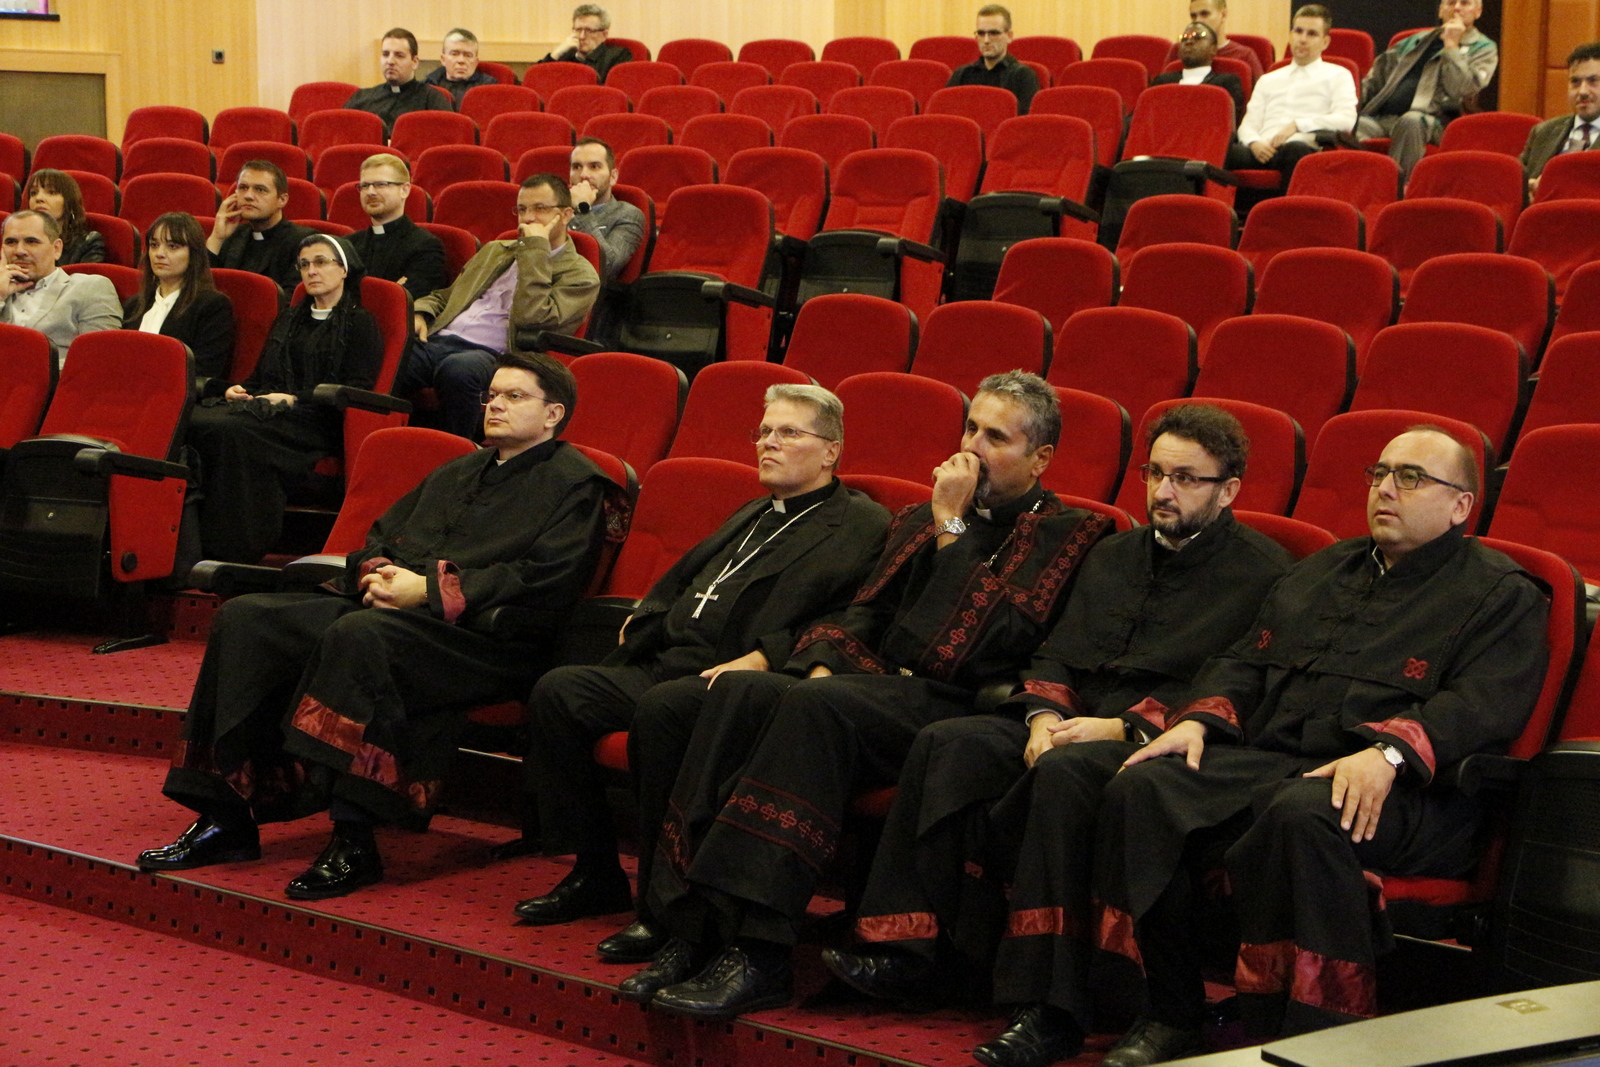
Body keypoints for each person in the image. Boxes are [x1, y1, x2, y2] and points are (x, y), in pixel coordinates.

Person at [982, 426, 1547, 1067]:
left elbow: (1481, 705)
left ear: (1461, 505)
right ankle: (1166, 1011)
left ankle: (1317, 1043)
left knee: (1301, 811)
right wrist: (1198, 723)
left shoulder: (1502, 593)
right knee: (1145, 783)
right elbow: (1243, 664)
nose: (1386, 489)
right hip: (1279, 762)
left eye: (1411, 478)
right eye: (1380, 473)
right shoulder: (1324, 570)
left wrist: (1386, 755)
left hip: (1413, 794)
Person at [620, 371, 1113, 1021]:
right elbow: (863, 614)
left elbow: (992, 641)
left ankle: (760, 951)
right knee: (741, 691)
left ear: (1041, 457)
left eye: (996, 437)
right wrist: (823, 662)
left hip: (964, 701)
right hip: (879, 688)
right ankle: (691, 925)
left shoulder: (1071, 532)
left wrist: (952, 525)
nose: (973, 447)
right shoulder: (916, 521)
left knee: (816, 707)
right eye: (970, 428)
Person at [820, 405, 1294, 1019]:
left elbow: (1236, 681)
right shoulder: (1114, 553)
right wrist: (1043, 717)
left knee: (1063, 773)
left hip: (1152, 741)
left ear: (1228, 490)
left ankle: (1046, 1000)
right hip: (1068, 721)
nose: (1162, 492)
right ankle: (907, 951)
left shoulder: (1265, 570)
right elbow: (1055, 652)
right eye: (1155, 473)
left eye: (1184, 478)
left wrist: (1120, 727)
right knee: (951, 741)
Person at [139, 350, 616, 902]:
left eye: (514, 397)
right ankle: (225, 816)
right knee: (248, 619)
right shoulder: (458, 469)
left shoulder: (579, 484)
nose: (495, 406)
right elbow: (381, 537)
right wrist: (381, 574)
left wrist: (428, 591)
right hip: (399, 617)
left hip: (487, 639)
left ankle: (354, 838)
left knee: (362, 636)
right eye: (491, 395)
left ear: (553, 414)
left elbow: (546, 579)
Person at [512, 384, 892, 965]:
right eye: (764, 432)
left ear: (830, 450)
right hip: (670, 661)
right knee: (558, 693)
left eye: (788, 432)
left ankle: (662, 906)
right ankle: (594, 870)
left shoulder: (860, 523)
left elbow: (849, 617)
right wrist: (649, 617)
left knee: (662, 711)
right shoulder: (754, 511)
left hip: (737, 681)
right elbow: (686, 580)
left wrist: (765, 656)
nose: (768, 443)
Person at [185, 234, 383, 564]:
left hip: (318, 420)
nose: (311, 271)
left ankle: (235, 549)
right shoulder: (289, 318)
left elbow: (356, 387)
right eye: (304, 264)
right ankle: (192, 543)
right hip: (274, 410)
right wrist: (240, 390)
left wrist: (294, 399)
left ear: (344, 269)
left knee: (232, 431)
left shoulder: (360, 322)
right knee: (198, 419)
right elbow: (261, 377)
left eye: (321, 262)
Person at [395, 174, 599, 442]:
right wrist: (422, 312)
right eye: (522, 209)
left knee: (459, 370)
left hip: (498, 354)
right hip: (439, 339)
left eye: (540, 208)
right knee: (389, 356)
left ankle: (457, 453)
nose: (529, 218)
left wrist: (536, 250)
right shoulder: (495, 250)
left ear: (566, 215)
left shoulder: (581, 275)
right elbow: (448, 296)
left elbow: (531, 317)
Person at [1357, 0, 1498, 181]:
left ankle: (1399, 189)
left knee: (1411, 121)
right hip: (1385, 118)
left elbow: (1461, 88)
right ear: (1440, 11)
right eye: (1450, 3)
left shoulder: (1484, 48)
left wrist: (1451, 46)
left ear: (1478, 12)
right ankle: (1356, 188)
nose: (1456, 8)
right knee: (1353, 125)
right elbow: (1375, 78)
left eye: (1465, 3)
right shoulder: (1412, 41)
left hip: (1436, 122)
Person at [1225, 6, 1358, 182]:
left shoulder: (1338, 75)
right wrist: (1254, 142)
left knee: (1295, 149)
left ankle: (1290, 201)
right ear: (1290, 35)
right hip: (1262, 148)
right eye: (1298, 31)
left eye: (1312, 34)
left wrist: (1298, 125)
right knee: (1222, 150)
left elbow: (1346, 120)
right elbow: (1248, 124)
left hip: (1302, 148)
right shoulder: (1268, 79)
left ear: (1325, 42)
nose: (1302, 39)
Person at [122, 211, 237, 381]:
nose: (159, 253)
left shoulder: (212, 306)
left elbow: (205, 371)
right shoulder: (133, 305)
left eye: (172, 246)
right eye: (154, 245)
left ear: (193, 254)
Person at [0, 210, 120, 365]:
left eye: (32, 241)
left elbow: (98, 360)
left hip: (56, 379)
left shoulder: (90, 288)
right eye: (11, 242)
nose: (19, 251)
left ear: (56, 249)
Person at [345, 153, 450, 301]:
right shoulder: (348, 245)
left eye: (380, 184)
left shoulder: (425, 246)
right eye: (365, 186)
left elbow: (402, 302)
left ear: (404, 190)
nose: (370, 192)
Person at [206, 161, 317, 292]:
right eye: (243, 188)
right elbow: (200, 287)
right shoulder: (232, 234)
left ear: (282, 200)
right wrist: (217, 237)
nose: (248, 196)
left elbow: (291, 297)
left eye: (260, 190)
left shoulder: (303, 241)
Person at [1521, 42, 1600, 195]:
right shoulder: (1543, 132)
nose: (1583, 91)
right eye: (1575, 82)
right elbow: (1515, 181)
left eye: (1593, 81)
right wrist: (1527, 188)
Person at [345, 28, 455, 135]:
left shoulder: (433, 99)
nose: (390, 61)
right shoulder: (361, 98)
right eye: (385, 54)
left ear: (415, 62)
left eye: (399, 56)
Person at [568, 138, 645, 283]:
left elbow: (608, 266)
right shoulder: (556, 209)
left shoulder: (628, 214)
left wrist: (582, 209)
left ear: (613, 177)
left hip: (592, 292)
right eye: (577, 167)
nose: (584, 175)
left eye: (594, 167)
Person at [946, 5, 1039, 115]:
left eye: (993, 33)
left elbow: (1025, 121)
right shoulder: (962, 74)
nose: (986, 40)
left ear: (1009, 36)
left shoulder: (1023, 76)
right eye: (981, 33)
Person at [1150, 22, 1247, 125]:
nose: (1189, 41)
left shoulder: (1227, 83)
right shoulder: (1162, 82)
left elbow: (1226, 123)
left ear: (1213, 49)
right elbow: (1146, 118)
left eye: (1198, 37)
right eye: (1184, 38)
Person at [1161, 0, 1264, 80]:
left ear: (1223, 15)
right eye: (1193, 16)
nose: (1198, 21)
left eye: (1205, 14)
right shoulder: (1179, 50)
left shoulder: (1245, 55)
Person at [22, 169, 104, 265]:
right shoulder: (17, 238)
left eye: (51, 192)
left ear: (69, 202)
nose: (38, 198)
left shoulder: (88, 242)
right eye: (33, 193)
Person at [538, 4, 633, 84]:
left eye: (589, 31)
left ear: (604, 35)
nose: (582, 36)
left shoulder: (619, 55)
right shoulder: (566, 55)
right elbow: (538, 80)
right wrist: (555, 54)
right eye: (578, 30)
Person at [425, 28, 498, 107]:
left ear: (476, 62)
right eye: (454, 54)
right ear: (443, 59)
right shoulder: (430, 86)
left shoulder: (488, 87)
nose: (461, 60)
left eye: (468, 55)